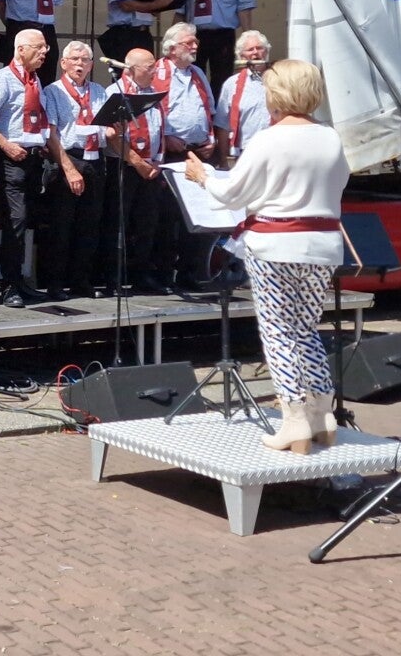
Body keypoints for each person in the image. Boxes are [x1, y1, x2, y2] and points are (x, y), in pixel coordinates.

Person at [184, 59, 348, 452]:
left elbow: (231, 193)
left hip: (275, 244)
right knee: (306, 328)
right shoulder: (330, 137)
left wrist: (202, 176)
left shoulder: (268, 139)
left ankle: (294, 420)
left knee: (278, 332)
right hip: (322, 244)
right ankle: (322, 414)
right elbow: (340, 181)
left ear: (277, 94)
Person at [0, 29, 55, 307]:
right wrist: (6, 145)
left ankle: (21, 281)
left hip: (34, 158)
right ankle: (8, 285)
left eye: (45, 48)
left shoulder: (35, 80)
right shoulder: (3, 79)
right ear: (21, 49)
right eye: (38, 47)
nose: (44, 52)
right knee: (15, 220)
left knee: (29, 221)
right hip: (12, 158)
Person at [42, 41, 113, 300]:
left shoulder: (99, 91)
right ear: (64, 63)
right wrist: (69, 170)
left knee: (89, 225)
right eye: (74, 59)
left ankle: (81, 281)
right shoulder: (53, 91)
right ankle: (55, 283)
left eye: (84, 60)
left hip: (95, 159)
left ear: (92, 65)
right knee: (62, 226)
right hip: (68, 158)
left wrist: (114, 129)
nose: (79, 64)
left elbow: (107, 128)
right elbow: (51, 134)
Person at [103, 48, 172, 293]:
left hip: (151, 166)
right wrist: (138, 163)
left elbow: (160, 129)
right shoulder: (115, 92)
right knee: (118, 223)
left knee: (148, 223)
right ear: (132, 69)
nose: (155, 71)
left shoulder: (153, 92)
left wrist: (157, 162)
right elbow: (112, 136)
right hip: (125, 165)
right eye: (150, 67)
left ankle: (142, 275)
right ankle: (113, 278)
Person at [156, 22, 217, 291]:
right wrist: (166, 136)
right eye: (188, 43)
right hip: (170, 153)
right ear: (171, 48)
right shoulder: (158, 72)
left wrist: (211, 140)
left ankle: (191, 273)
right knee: (168, 216)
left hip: (198, 154)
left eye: (195, 42)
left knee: (198, 215)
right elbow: (150, 113)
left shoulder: (197, 73)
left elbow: (209, 110)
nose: (195, 46)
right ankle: (164, 274)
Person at [215, 30, 272, 165]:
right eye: (250, 50)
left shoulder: (281, 80)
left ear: (266, 52)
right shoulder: (231, 84)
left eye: (259, 48)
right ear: (241, 56)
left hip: (275, 151)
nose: (255, 53)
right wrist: (223, 161)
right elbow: (223, 126)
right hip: (245, 153)